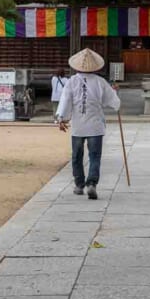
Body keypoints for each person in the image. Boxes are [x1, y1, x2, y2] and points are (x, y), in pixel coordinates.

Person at [55, 49, 120, 200]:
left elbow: (65, 101)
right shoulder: (100, 82)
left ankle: (79, 185)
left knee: (77, 156)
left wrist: (61, 118)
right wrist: (116, 100)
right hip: (95, 125)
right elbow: (112, 101)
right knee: (95, 156)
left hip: (78, 126)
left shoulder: (71, 82)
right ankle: (91, 183)